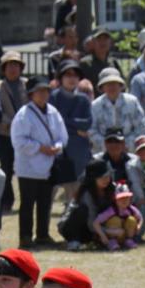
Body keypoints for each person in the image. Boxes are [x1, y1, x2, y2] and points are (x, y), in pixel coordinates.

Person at [11, 76, 67, 248]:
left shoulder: (53, 112)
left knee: (45, 202)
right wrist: (40, 148)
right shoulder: (23, 115)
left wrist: (57, 147)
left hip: (49, 165)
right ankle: (25, 236)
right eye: (39, 91)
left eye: (46, 91)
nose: (43, 94)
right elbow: (19, 141)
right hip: (28, 166)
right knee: (27, 203)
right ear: (31, 94)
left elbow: (62, 136)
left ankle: (43, 234)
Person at [49, 60, 91, 204]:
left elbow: (87, 124)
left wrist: (66, 121)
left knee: (76, 193)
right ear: (60, 78)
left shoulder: (84, 99)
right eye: (68, 75)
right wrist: (74, 125)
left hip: (79, 149)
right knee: (50, 191)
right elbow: (53, 122)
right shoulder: (53, 97)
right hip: (58, 148)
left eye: (75, 75)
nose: (72, 78)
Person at [0, 50, 26, 211]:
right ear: (4, 68)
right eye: (9, 65)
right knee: (6, 167)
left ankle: (26, 199)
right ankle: (7, 199)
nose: (13, 68)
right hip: (5, 133)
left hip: (25, 135)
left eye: (16, 65)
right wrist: (13, 122)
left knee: (24, 167)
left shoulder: (27, 85)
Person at [89, 69, 145, 154]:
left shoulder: (132, 102)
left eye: (115, 83)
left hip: (129, 153)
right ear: (102, 87)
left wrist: (124, 145)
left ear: (120, 85)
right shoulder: (95, 106)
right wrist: (108, 146)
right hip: (102, 153)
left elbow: (141, 127)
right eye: (108, 84)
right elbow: (91, 130)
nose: (112, 87)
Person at [92, 180, 142, 250]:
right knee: (115, 220)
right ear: (115, 199)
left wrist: (139, 226)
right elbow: (95, 223)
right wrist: (103, 236)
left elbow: (140, 218)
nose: (124, 201)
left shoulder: (131, 209)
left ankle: (128, 240)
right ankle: (112, 242)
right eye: (121, 198)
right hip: (113, 233)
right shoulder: (111, 210)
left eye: (126, 198)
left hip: (124, 234)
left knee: (132, 220)